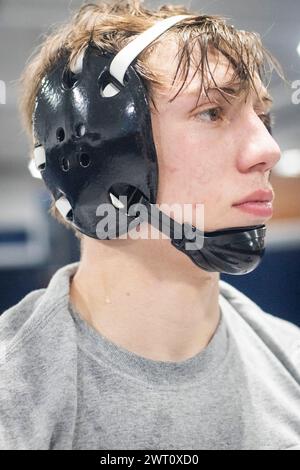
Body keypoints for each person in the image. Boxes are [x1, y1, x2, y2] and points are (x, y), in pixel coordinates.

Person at [0, 0, 299, 451]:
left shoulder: (292, 362)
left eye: (263, 117)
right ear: (93, 157)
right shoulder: (13, 397)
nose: (268, 149)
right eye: (212, 112)